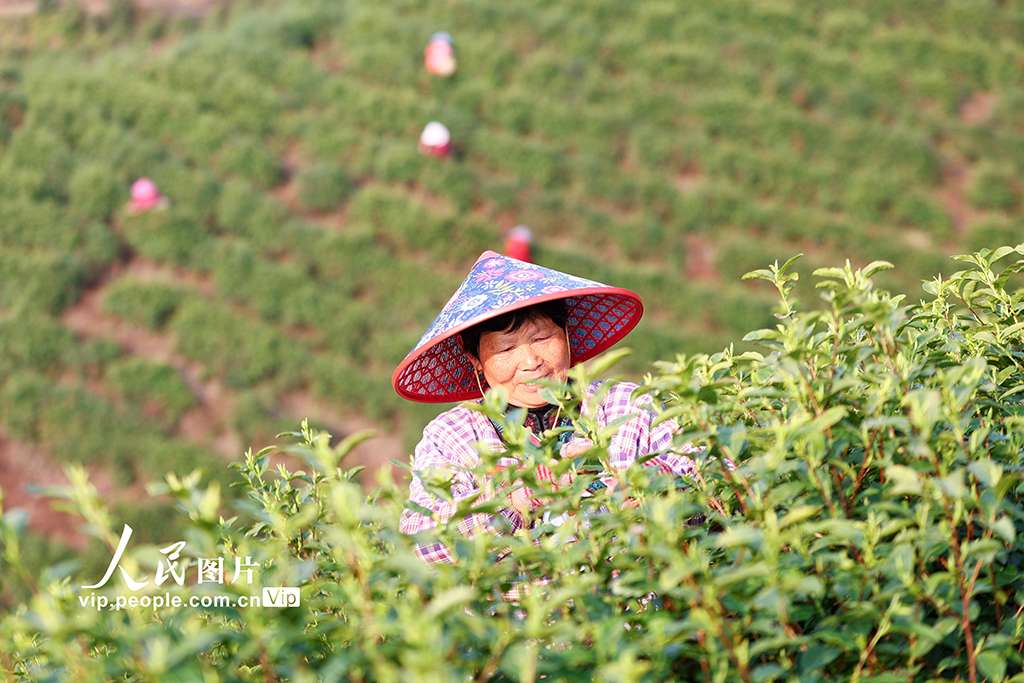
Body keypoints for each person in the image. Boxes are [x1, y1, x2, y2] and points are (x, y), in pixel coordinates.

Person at [393, 251, 697, 564]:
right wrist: (519, 498)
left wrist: (645, 485)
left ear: (566, 335)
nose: (532, 363)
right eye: (507, 349)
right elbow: (423, 545)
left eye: (543, 338)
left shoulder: (629, 406)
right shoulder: (452, 436)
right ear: (477, 362)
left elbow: (703, 482)